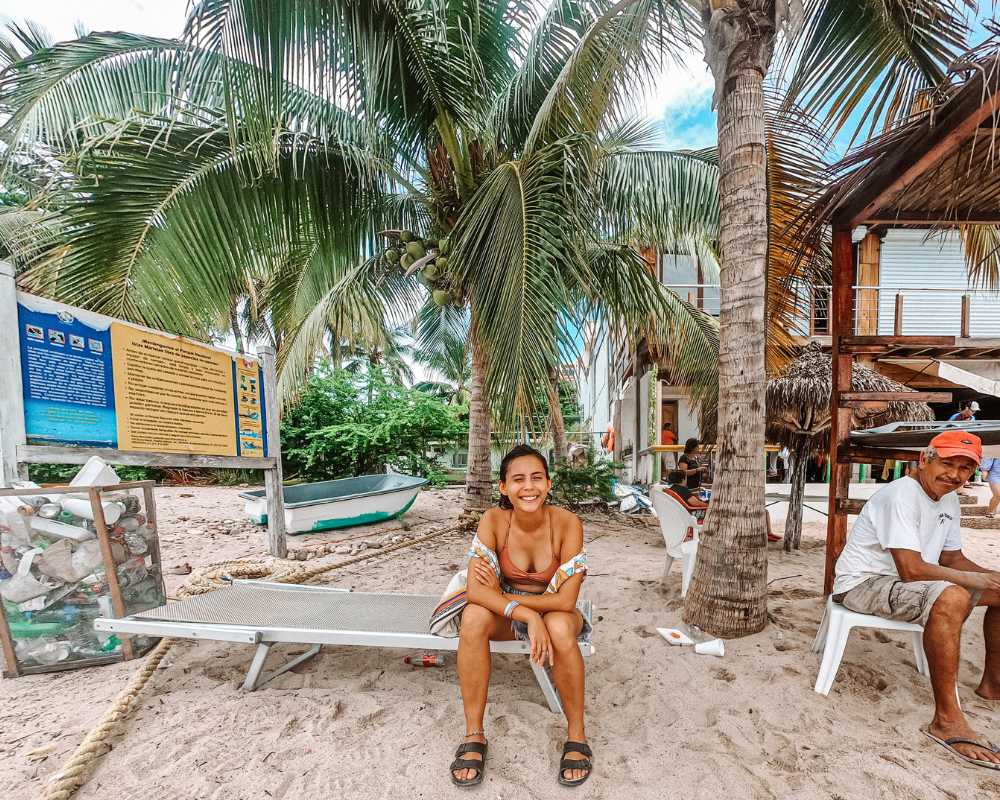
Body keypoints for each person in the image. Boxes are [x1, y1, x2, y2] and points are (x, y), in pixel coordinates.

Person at [832, 431, 1000, 769]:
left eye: (965, 469)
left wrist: (992, 577)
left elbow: (952, 560)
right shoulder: (901, 494)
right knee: (950, 596)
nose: (954, 475)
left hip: (904, 583)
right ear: (925, 459)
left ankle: (993, 686)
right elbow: (910, 570)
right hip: (863, 584)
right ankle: (946, 719)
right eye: (947, 463)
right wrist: (978, 580)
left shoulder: (949, 499)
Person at [450, 445, 593, 787]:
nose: (528, 487)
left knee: (559, 626)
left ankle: (577, 735)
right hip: (512, 613)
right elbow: (475, 591)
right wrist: (526, 614)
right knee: (472, 617)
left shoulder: (567, 523)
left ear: (548, 483)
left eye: (536, 478)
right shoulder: (494, 521)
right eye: (518, 479)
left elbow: (566, 599)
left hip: (555, 612)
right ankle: (474, 734)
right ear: (503, 487)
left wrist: (508, 598)